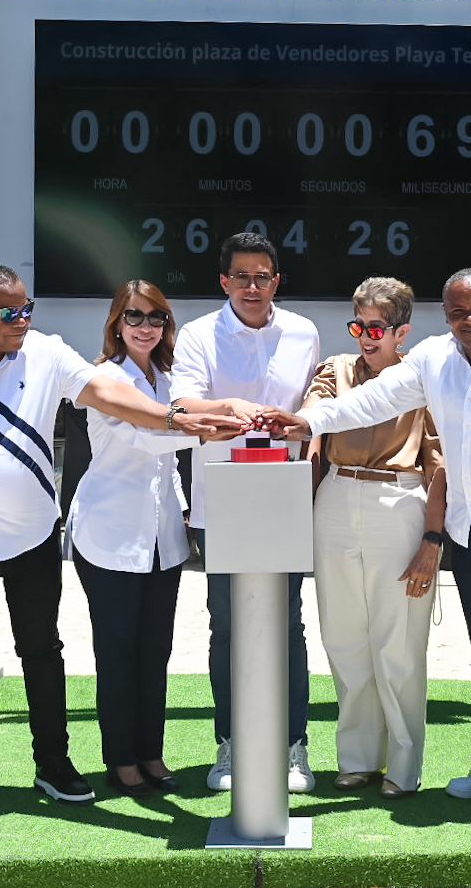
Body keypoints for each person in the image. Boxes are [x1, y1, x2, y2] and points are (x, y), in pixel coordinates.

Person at [0, 264, 235, 819]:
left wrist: (172, 416)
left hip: (31, 532)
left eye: (27, 308)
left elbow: (105, 391)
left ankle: (53, 764)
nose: (22, 320)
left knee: (42, 651)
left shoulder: (47, 353)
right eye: (9, 312)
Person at [260, 268, 471, 824]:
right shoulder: (435, 359)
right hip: (470, 536)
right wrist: (307, 421)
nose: (470, 321)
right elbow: (372, 401)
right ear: (445, 314)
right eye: (458, 312)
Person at [169, 233, 321, 794]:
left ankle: (293, 745)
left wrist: (299, 426)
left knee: (287, 623)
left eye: (261, 277)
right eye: (241, 276)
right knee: (228, 624)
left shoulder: (303, 332)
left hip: (285, 497)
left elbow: (313, 407)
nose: (251, 287)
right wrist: (229, 406)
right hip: (221, 499)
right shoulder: (198, 334)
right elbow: (182, 403)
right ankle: (231, 742)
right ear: (224, 281)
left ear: (276, 281)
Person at [69, 281, 226, 799]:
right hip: (109, 535)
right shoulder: (104, 380)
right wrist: (207, 428)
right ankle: (120, 760)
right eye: (134, 316)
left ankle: (150, 754)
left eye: (156, 317)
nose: (145, 327)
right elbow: (146, 437)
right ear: (116, 323)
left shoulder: (171, 378)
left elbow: (168, 463)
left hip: (163, 537)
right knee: (118, 653)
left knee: (156, 651)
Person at [302, 277, 445, 800]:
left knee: (399, 641)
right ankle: (358, 758)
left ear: (402, 331)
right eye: (358, 325)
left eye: (377, 327)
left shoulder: (423, 379)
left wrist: (432, 540)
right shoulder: (334, 370)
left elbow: (439, 465)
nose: (365, 336)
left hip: (399, 501)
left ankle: (404, 765)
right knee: (342, 635)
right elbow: (311, 428)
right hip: (336, 498)